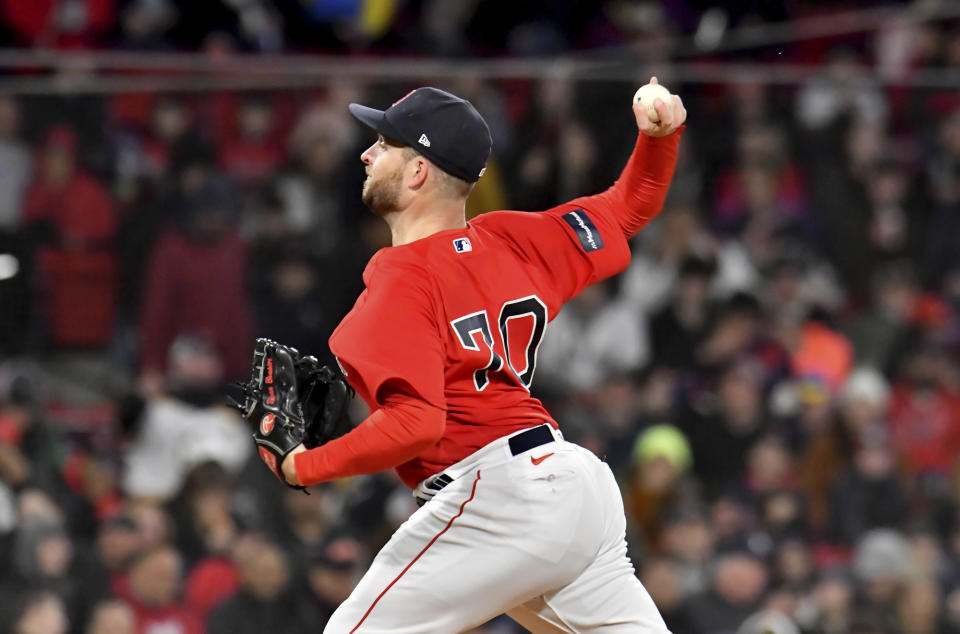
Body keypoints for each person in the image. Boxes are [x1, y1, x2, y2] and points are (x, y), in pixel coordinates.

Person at [274, 81, 685, 631]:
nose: (368, 154)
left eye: (384, 144)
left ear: (418, 171)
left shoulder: (400, 280)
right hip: (574, 487)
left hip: (498, 498)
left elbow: (417, 424)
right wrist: (660, 138)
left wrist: (304, 465)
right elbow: (630, 207)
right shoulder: (514, 238)